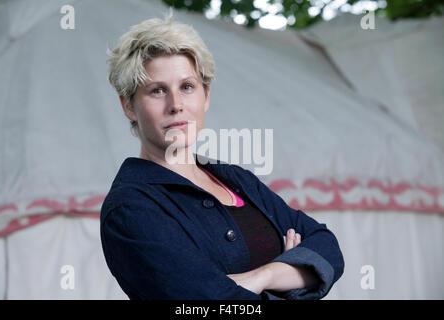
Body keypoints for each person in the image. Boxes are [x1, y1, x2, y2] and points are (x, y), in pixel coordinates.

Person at [100, 11, 344, 300]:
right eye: (157, 91)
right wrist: (289, 274)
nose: (176, 104)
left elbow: (327, 246)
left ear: (206, 96)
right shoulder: (130, 209)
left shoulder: (236, 179)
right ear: (128, 105)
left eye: (187, 87)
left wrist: (262, 276)